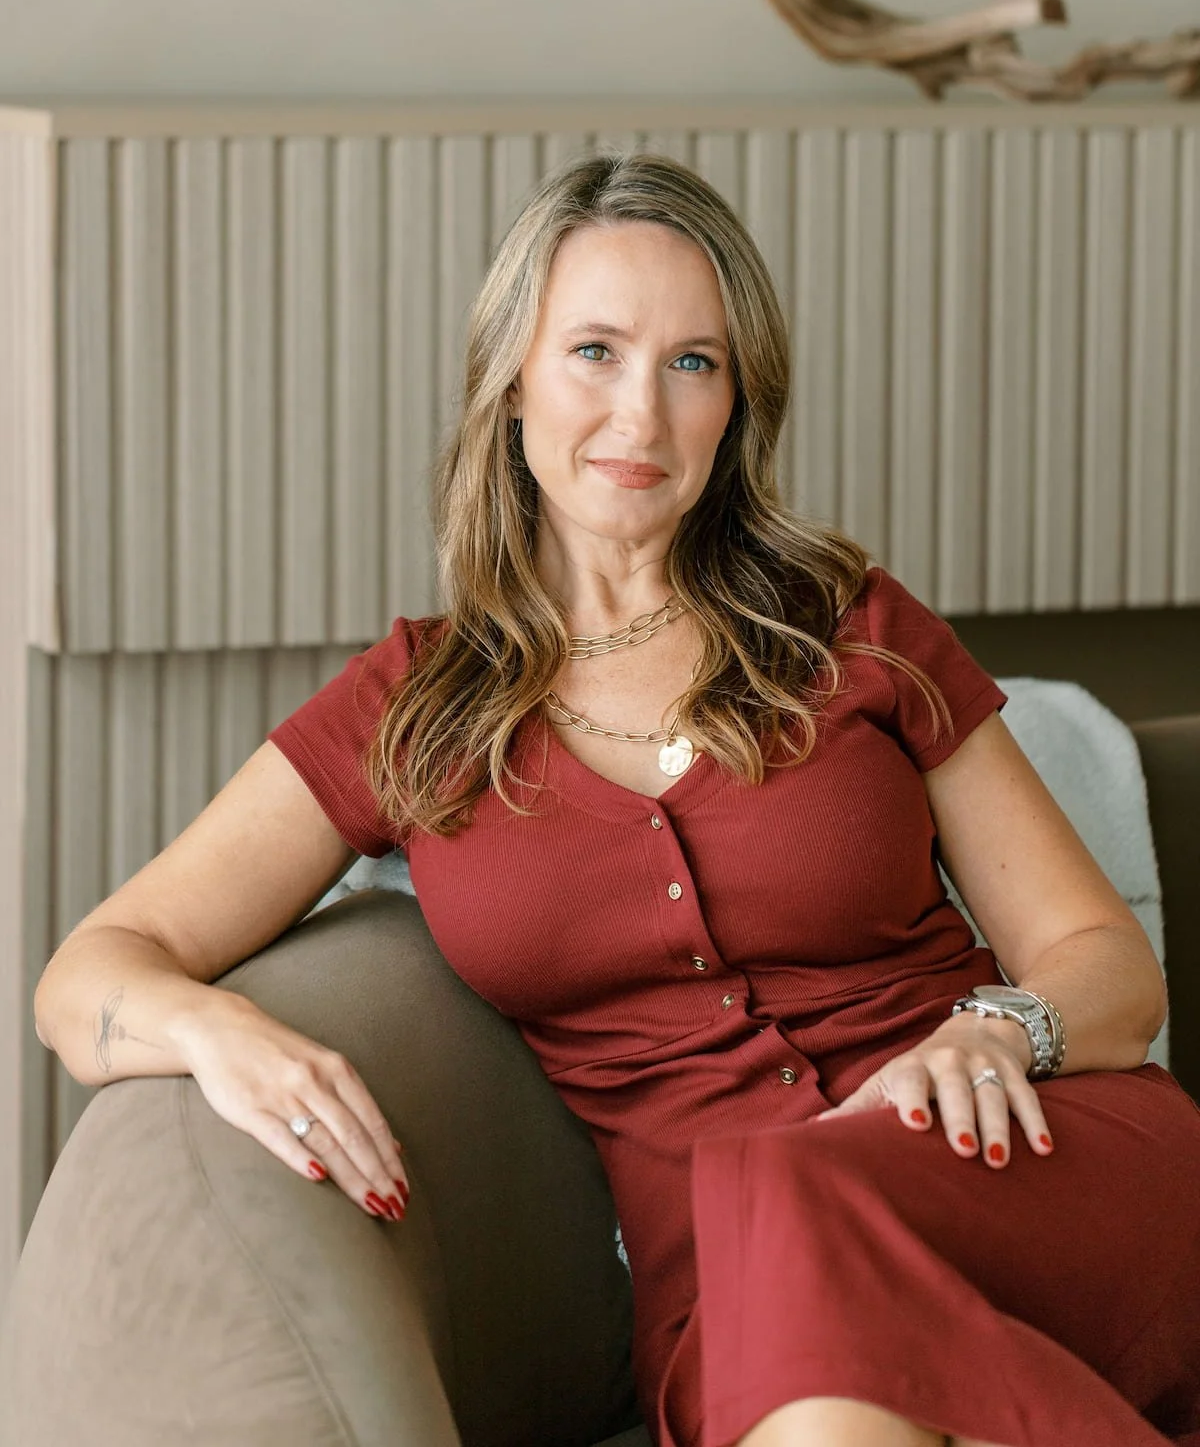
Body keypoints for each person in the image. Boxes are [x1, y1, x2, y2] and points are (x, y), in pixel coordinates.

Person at [34, 154, 1200, 1447]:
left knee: (792, 1201)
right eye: (595, 350)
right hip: (737, 1301)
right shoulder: (411, 707)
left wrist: (996, 1032)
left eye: (693, 364)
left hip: (1013, 1165)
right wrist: (219, 1035)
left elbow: (1109, 968)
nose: (640, 413)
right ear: (511, 378)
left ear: (736, 405)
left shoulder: (854, 632)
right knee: (802, 1322)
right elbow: (88, 977)